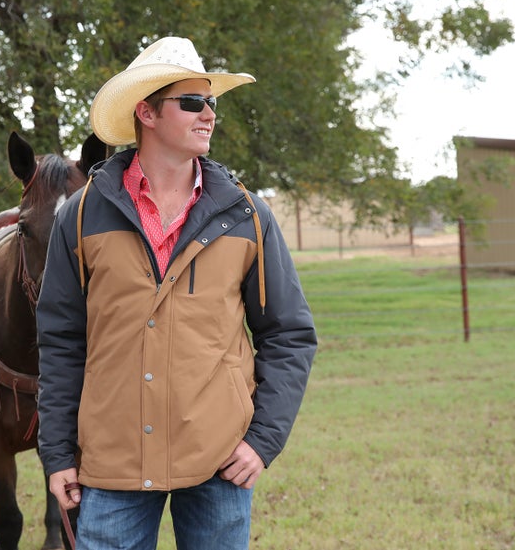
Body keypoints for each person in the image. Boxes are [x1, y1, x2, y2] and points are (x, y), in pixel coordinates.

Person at [36, 36, 317, 550]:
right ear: (146, 112)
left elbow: (289, 334)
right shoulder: (78, 216)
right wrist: (58, 455)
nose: (208, 114)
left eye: (212, 102)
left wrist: (263, 442)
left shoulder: (248, 216)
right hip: (112, 463)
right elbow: (60, 344)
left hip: (220, 461)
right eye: (192, 102)